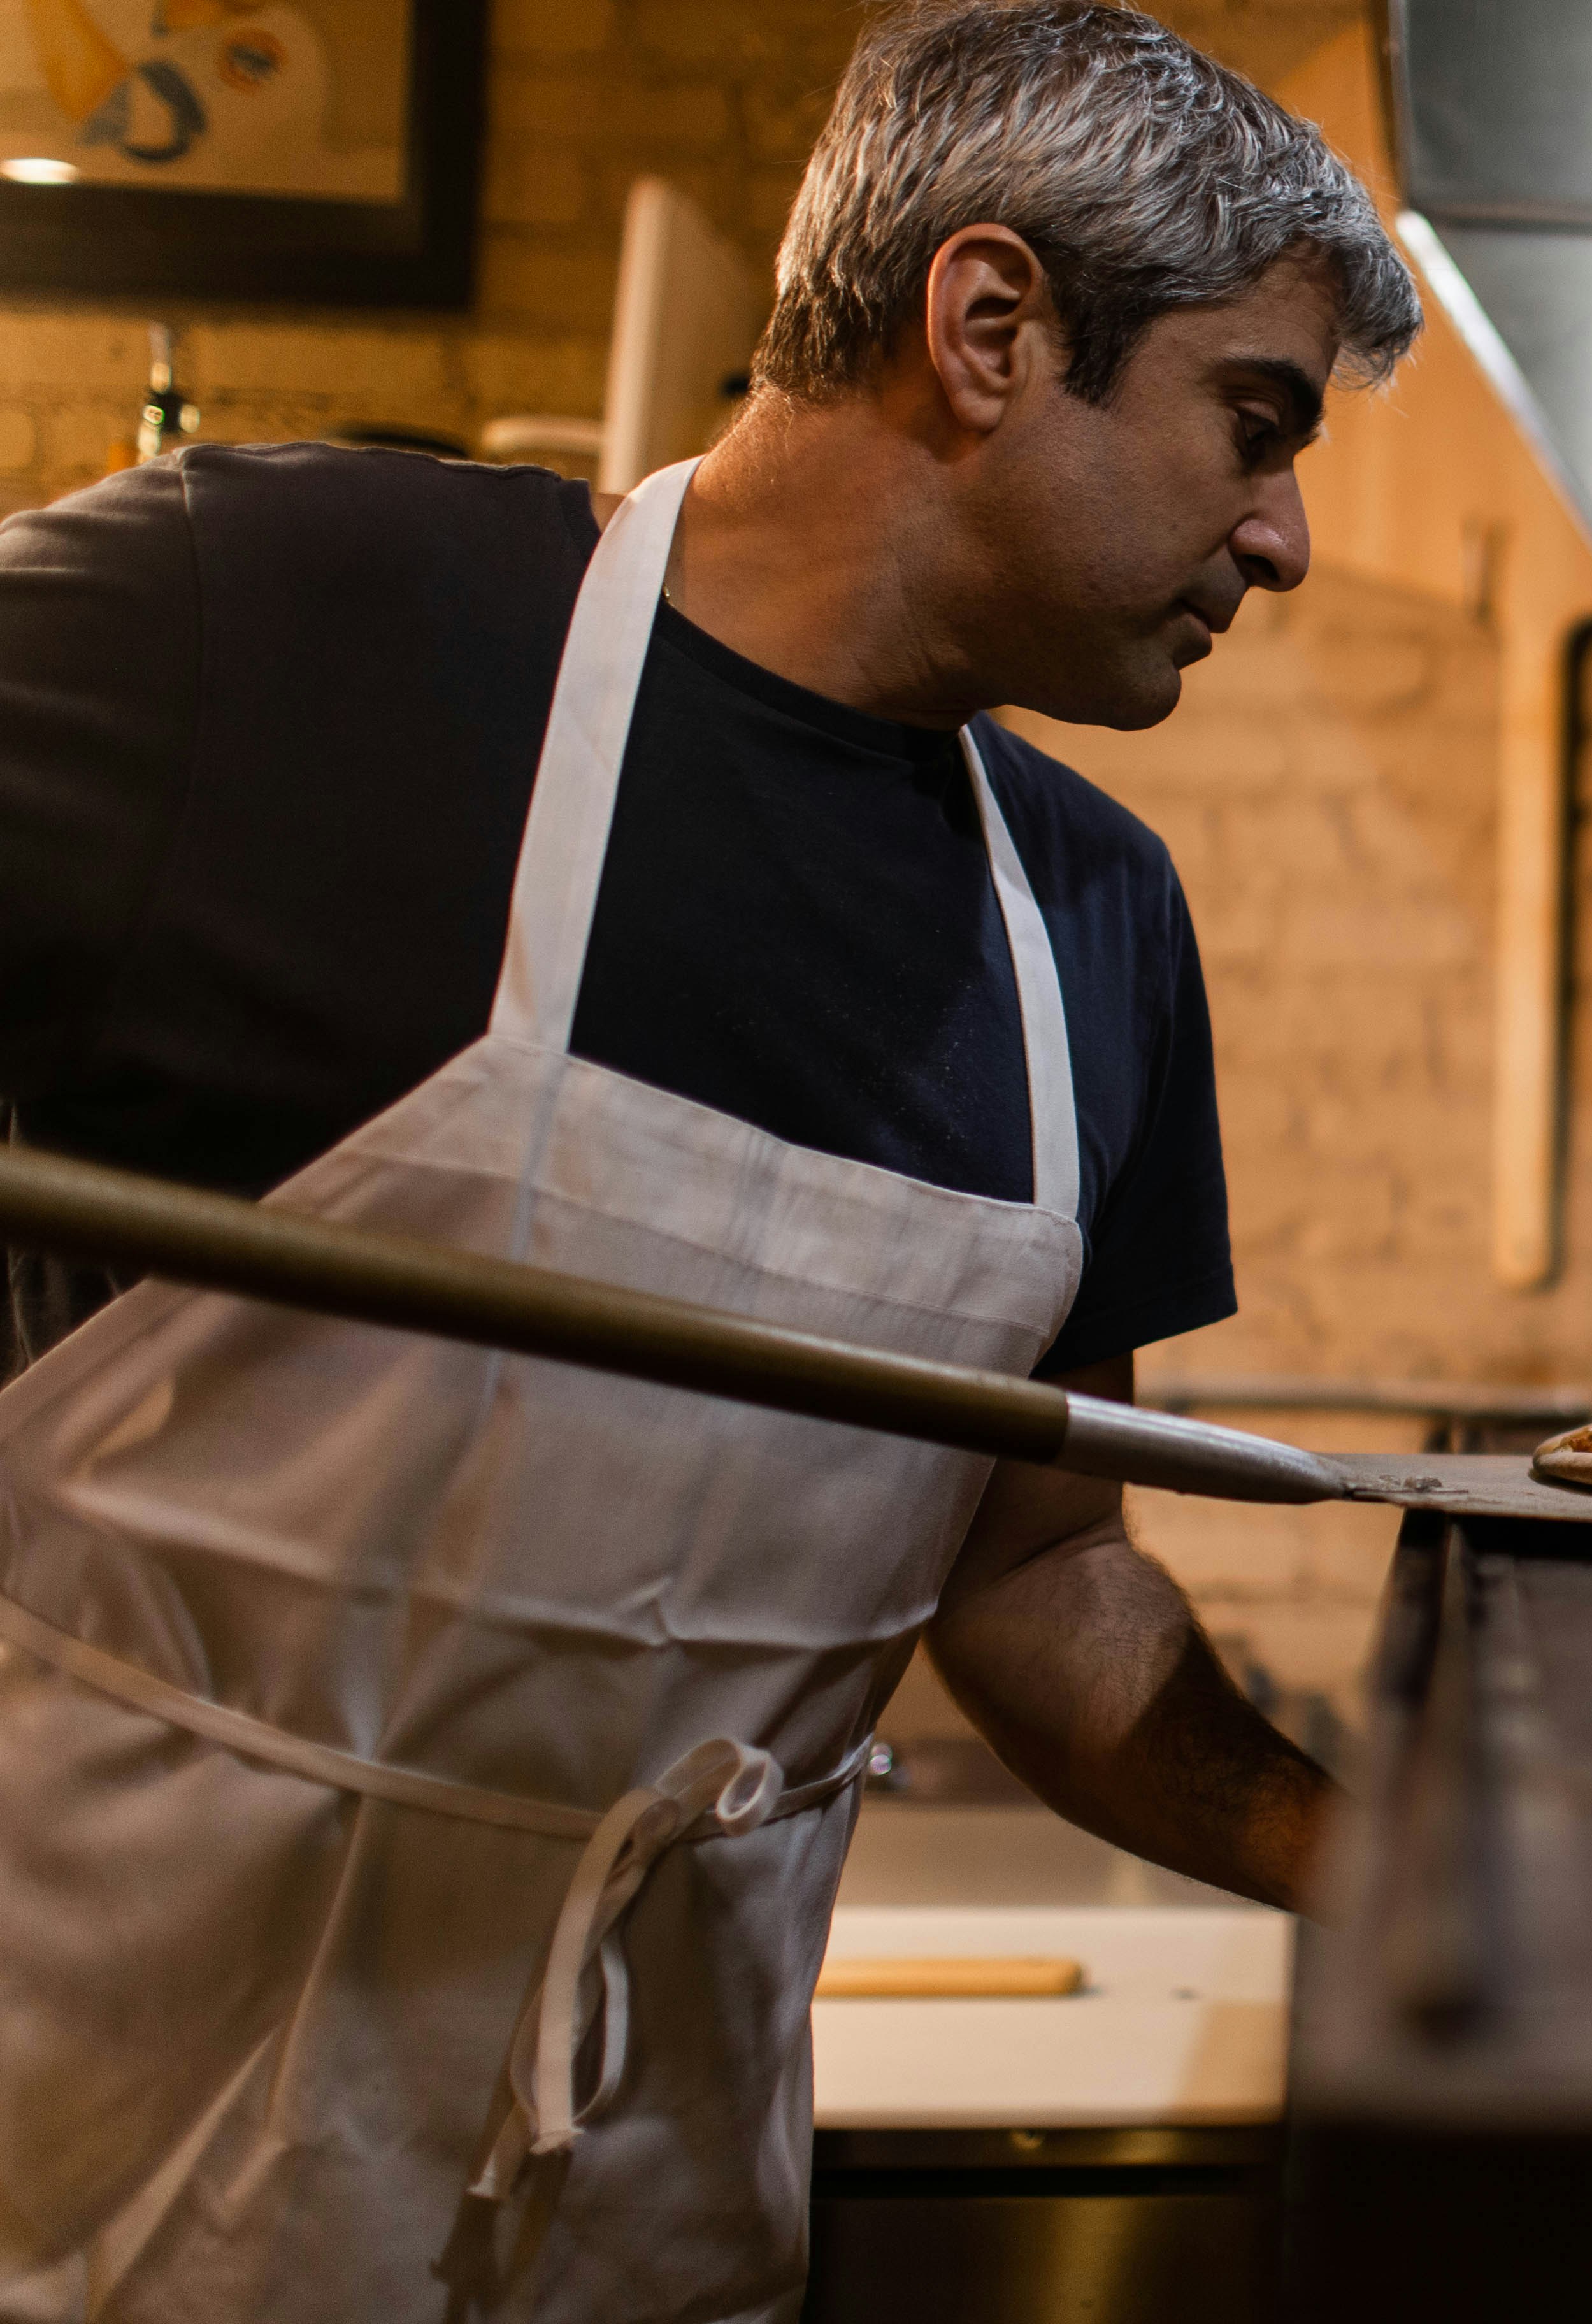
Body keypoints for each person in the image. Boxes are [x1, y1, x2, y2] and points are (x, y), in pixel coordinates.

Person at [0, 3, 1419, 2315]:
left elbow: (1040, 1579)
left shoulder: (1092, 929)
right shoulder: (272, 624)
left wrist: (1391, 1867)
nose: (1281, 537)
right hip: (97, 2173)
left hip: (651, 2221)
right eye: (1251, 426)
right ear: (990, 327)